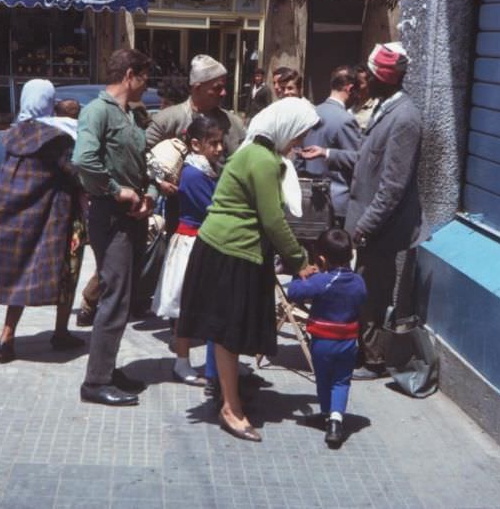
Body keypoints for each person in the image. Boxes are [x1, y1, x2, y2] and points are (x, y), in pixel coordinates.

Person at [178, 97, 319, 442]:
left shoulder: (257, 152)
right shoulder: (262, 159)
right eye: (299, 134)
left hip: (231, 250)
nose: (300, 142)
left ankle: (230, 394)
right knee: (227, 333)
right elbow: (272, 219)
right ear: (286, 128)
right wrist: (300, 261)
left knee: (229, 332)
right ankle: (231, 407)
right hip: (230, 252)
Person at [299, 42, 429, 380]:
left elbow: (392, 187)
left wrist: (364, 227)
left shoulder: (404, 119)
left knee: (373, 293)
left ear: (383, 77)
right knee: (366, 290)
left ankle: (374, 360)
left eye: (367, 77)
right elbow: (365, 159)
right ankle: (364, 351)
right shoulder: (385, 109)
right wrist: (326, 154)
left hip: (381, 230)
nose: (361, 83)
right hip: (369, 224)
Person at [0, 79, 84, 363]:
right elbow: (75, 173)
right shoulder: (57, 138)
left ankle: (8, 332)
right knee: (68, 271)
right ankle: (61, 331)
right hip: (55, 219)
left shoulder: (13, 135)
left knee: (19, 274)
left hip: (17, 217)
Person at [73, 48, 156, 406]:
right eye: (143, 79)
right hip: (110, 215)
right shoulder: (96, 112)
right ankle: (95, 382)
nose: (145, 87)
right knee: (114, 297)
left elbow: (145, 162)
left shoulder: (134, 116)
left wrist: (148, 193)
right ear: (129, 75)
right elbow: (83, 159)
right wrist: (115, 191)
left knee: (123, 297)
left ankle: (107, 367)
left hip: (133, 214)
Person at [151, 116, 223, 386]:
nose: (218, 149)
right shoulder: (193, 174)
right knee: (187, 306)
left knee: (205, 305)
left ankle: (215, 364)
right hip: (192, 243)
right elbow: (212, 206)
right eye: (212, 143)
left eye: (220, 143)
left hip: (202, 241)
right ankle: (182, 362)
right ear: (195, 144)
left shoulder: (206, 169)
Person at [287, 229, 367, 448]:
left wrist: (305, 275)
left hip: (322, 342)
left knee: (323, 379)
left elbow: (293, 292)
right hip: (348, 341)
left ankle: (325, 413)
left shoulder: (321, 281)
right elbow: (362, 299)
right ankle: (335, 420)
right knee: (341, 381)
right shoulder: (359, 282)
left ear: (321, 259)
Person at [146, 54, 245, 162]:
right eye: (217, 88)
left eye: (224, 87)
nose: (223, 93)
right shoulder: (166, 121)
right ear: (197, 88)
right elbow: (144, 156)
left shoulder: (233, 123)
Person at [299, 66, 362, 226]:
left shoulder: (311, 113)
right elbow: (358, 161)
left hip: (309, 197)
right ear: (350, 88)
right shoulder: (346, 120)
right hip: (336, 203)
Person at [349, 65, 378, 133]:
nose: (354, 87)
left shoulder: (377, 108)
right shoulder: (349, 106)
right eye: (353, 83)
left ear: (369, 83)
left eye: (359, 83)